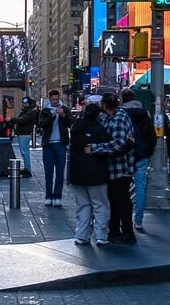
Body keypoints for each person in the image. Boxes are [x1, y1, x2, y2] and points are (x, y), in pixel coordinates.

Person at [88, 90, 137, 244]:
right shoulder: (109, 117)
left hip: (121, 169)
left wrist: (95, 148)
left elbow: (118, 144)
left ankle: (128, 232)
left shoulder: (119, 119)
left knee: (122, 201)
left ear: (105, 105)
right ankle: (114, 230)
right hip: (111, 169)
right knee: (113, 201)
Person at [68, 102, 112, 246]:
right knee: (100, 205)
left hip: (77, 173)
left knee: (83, 205)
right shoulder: (100, 129)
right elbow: (108, 146)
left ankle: (81, 235)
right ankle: (101, 235)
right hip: (97, 173)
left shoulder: (76, 128)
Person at [120, 89, 157, 231]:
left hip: (124, 156)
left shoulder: (120, 114)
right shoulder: (144, 114)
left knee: (122, 190)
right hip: (142, 155)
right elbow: (152, 136)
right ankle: (139, 220)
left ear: (122, 99)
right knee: (141, 188)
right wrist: (148, 151)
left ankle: (124, 220)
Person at [38, 90, 72, 207]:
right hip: (48, 144)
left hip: (60, 144)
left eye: (57, 99)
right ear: (49, 99)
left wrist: (63, 115)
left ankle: (58, 196)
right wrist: (52, 117)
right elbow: (41, 125)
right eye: (53, 99)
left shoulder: (64, 109)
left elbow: (70, 123)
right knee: (48, 172)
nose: (55, 102)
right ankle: (48, 195)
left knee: (60, 172)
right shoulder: (45, 110)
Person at [14, 97, 38, 176]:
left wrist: (12, 119)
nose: (24, 104)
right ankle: (26, 168)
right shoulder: (27, 111)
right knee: (24, 151)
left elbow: (22, 120)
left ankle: (27, 169)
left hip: (25, 133)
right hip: (23, 133)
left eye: (25, 103)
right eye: (23, 103)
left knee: (24, 151)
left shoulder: (29, 112)